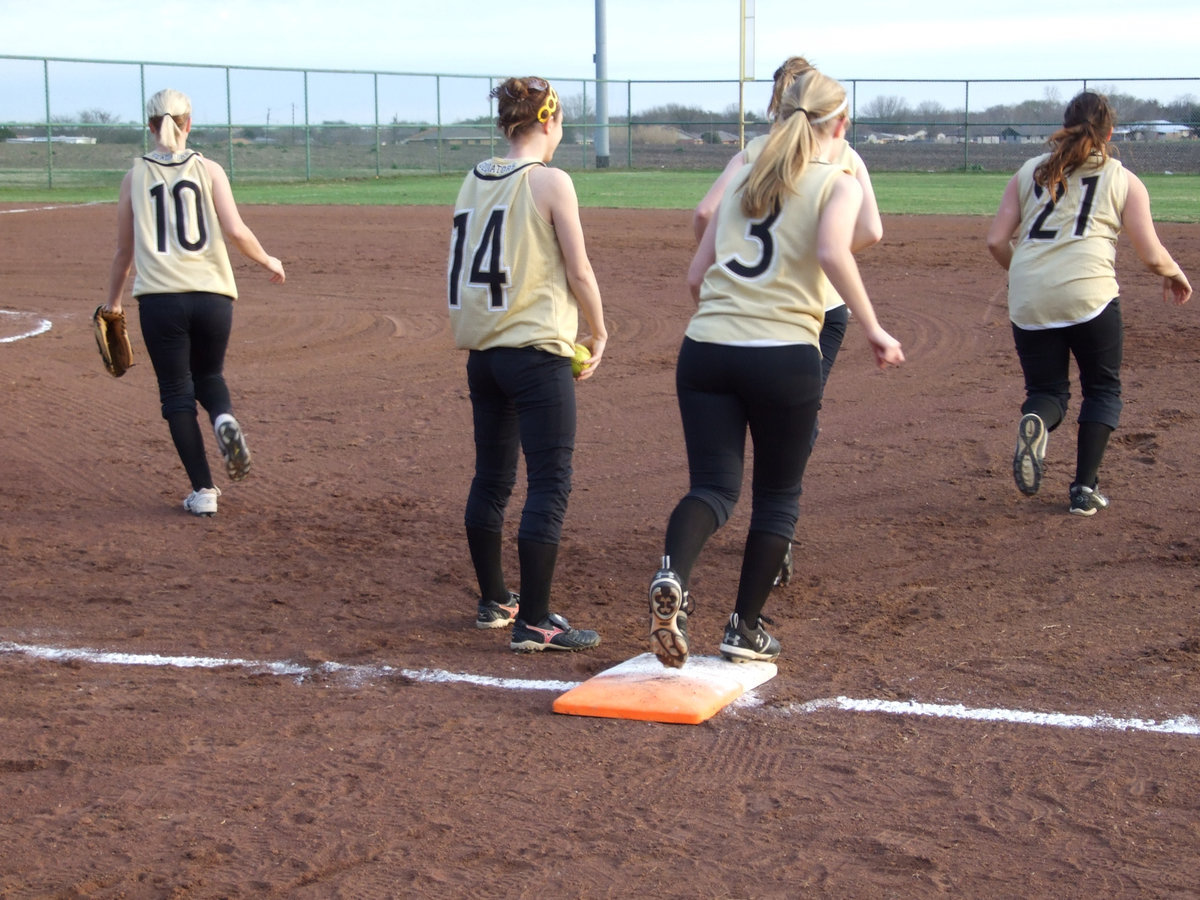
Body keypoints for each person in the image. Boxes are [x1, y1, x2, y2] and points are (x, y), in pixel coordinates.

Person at [649, 67, 904, 668]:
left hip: (705, 349)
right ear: (839, 125)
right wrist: (873, 328)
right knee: (777, 498)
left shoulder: (744, 173)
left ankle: (673, 578)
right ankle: (744, 627)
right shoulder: (839, 180)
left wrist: (725, 323)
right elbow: (833, 249)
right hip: (784, 354)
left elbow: (695, 276)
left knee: (712, 488)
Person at [694, 57, 884, 586]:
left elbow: (706, 215)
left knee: (735, 441)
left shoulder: (754, 152)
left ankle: (767, 529)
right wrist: (819, 253)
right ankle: (778, 533)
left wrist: (728, 269)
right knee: (795, 423)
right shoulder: (844, 156)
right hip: (818, 308)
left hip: (743, 311)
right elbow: (870, 230)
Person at [448, 76, 608, 653]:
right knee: (550, 482)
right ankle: (535, 621)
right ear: (547, 122)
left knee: (491, 479)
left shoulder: (473, 177)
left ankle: (495, 600)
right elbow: (580, 270)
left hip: (484, 356)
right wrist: (599, 329)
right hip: (535, 357)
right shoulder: (550, 181)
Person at [986, 90, 1192, 516]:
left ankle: (1038, 422)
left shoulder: (1029, 172)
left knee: (1046, 391)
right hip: (1090, 294)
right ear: (1109, 133)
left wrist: (1025, 273)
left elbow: (995, 240)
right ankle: (1084, 489)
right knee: (1102, 389)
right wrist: (1174, 273)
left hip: (1029, 295)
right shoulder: (1122, 177)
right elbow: (1151, 253)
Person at [102, 88, 285, 517]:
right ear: (189, 123)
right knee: (209, 375)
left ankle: (204, 491)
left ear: (150, 126)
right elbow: (237, 232)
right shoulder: (210, 169)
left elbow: (123, 254)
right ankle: (223, 417)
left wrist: (112, 304)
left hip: (161, 301)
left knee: (176, 393)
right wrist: (268, 260)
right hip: (214, 297)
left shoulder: (134, 177)